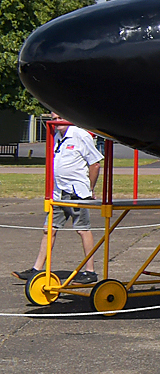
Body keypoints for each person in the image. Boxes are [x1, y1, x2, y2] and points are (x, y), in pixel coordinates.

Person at [15, 117, 102, 284]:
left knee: (82, 229)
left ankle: (90, 271)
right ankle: (37, 269)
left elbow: (95, 164)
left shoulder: (80, 135)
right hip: (59, 192)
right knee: (49, 229)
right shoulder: (56, 135)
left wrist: (90, 189)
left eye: (60, 117)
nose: (57, 121)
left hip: (77, 192)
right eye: (54, 118)